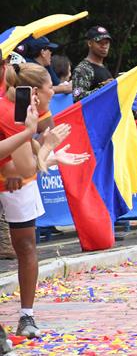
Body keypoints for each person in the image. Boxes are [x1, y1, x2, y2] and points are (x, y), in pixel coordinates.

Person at [1, 61, 89, 340]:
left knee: (26, 245)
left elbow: (25, 162)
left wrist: (49, 156)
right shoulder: (11, 111)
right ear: (37, 91)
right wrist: (47, 149)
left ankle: (26, 315)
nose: (57, 90)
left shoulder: (25, 107)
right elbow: (25, 165)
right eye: (51, 86)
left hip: (16, 182)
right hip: (12, 179)